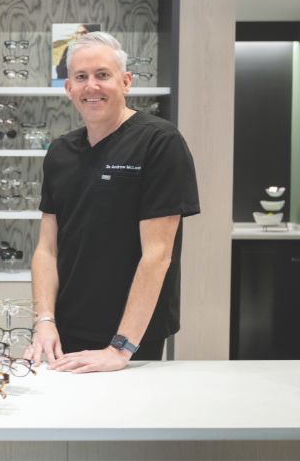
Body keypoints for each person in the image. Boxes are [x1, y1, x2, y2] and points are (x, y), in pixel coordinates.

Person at [24, 31, 199, 373]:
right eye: (81, 77)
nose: (91, 86)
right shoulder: (60, 151)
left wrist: (120, 348)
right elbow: (47, 249)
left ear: (126, 81)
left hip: (133, 339)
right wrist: (44, 320)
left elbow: (157, 255)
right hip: (67, 328)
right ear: (68, 88)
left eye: (102, 74)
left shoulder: (159, 142)